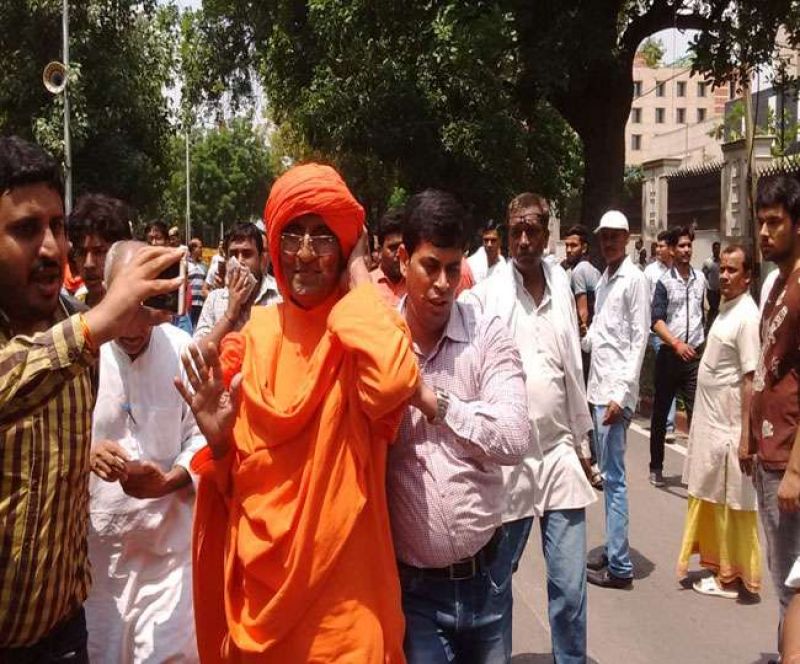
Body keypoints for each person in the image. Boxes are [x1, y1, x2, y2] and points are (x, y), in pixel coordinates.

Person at [176, 163, 420, 662]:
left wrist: (358, 274)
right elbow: (235, 487)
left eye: (324, 238)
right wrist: (221, 445)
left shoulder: (360, 334)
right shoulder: (254, 339)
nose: (305, 255)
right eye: (291, 235)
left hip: (346, 617)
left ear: (347, 247)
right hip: (261, 616)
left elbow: (393, 382)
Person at [0, 135, 184, 660]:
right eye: (26, 230)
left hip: (64, 634)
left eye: (57, 227)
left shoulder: (75, 324)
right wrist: (97, 324)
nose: (53, 249)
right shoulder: (83, 333)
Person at [388, 190, 529, 663]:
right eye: (431, 266)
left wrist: (436, 403)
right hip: (415, 593)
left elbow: (513, 437)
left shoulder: (487, 334)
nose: (443, 284)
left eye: (453, 268)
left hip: (488, 580)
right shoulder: (379, 347)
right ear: (404, 260)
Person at [463, 191, 596, 663]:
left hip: (560, 453)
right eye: (515, 230)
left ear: (546, 232)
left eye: (532, 230)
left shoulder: (561, 284)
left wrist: (584, 439)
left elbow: (572, 371)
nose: (523, 239)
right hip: (508, 462)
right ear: (505, 229)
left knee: (569, 588)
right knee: (497, 587)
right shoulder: (482, 297)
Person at [85, 241, 205, 663]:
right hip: (98, 568)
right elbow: (48, 438)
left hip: (169, 560)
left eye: (146, 306)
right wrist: (87, 454)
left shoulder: (182, 349)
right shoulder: (79, 353)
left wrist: (170, 480)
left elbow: (200, 438)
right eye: (126, 305)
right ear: (108, 294)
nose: (135, 324)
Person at [677, 245, 762, 599]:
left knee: (730, 501)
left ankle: (729, 577)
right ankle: (719, 567)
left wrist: (746, 436)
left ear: (749, 276)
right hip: (711, 425)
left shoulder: (747, 316)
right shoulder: (727, 309)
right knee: (711, 496)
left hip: (728, 429)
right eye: (722, 269)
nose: (724, 276)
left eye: (732, 270)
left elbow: (750, 378)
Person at [582, 210, 650, 589]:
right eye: (603, 236)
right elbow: (599, 334)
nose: (608, 242)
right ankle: (614, 547)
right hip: (598, 388)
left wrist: (622, 394)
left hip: (613, 395)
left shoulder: (634, 280)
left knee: (614, 480)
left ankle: (621, 566)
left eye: (614, 236)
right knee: (608, 477)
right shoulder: (606, 278)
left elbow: (638, 339)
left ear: (626, 238)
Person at [750, 173, 800, 646]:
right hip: (769, 453)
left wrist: (796, 472)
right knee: (782, 575)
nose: (765, 232)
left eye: (775, 222)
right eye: (760, 222)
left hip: (789, 458)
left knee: (792, 583)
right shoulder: (777, 284)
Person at [649, 226, 707, 487]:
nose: (686, 250)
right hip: (670, 356)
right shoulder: (664, 282)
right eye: (681, 246)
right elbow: (656, 320)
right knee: (661, 413)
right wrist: (675, 343)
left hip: (694, 356)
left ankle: (698, 470)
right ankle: (656, 466)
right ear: (672, 250)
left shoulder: (701, 280)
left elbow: (706, 312)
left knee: (698, 414)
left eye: (688, 245)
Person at [193, 221, 281, 347]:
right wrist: (230, 314)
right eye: (233, 254)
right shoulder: (214, 299)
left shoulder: (279, 298)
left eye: (247, 254)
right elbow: (197, 354)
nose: (240, 261)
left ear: (261, 259)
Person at [68, 193, 133, 307]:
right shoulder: (69, 311)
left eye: (99, 252)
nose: (89, 264)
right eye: (82, 253)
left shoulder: (149, 319)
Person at [644, 229, 678, 439]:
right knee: (667, 374)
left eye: (662, 246)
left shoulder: (679, 272)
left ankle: (667, 422)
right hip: (658, 332)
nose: (658, 249)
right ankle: (668, 424)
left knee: (670, 376)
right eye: (657, 245)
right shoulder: (650, 273)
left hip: (677, 333)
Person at [562, 224, 600, 338]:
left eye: (573, 246)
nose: (568, 250)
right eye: (567, 245)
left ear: (584, 248)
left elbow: (583, 312)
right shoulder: (593, 269)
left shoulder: (579, 270)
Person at [369, 207, 406, 306]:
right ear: (380, 250)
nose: (399, 253)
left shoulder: (418, 286)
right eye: (393, 247)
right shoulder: (366, 283)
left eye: (403, 247)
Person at [187, 237, 208, 326]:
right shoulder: (186, 264)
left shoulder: (203, 265)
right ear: (193, 249)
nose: (201, 249)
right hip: (189, 303)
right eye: (200, 247)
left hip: (201, 303)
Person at [703, 241, 722, 321]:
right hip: (711, 290)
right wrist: (708, 285)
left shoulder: (721, 262)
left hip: (719, 290)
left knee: (717, 308)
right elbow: (704, 275)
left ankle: (713, 323)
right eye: (715, 249)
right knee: (713, 308)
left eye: (718, 249)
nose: (717, 250)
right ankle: (708, 324)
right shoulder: (708, 262)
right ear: (712, 249)